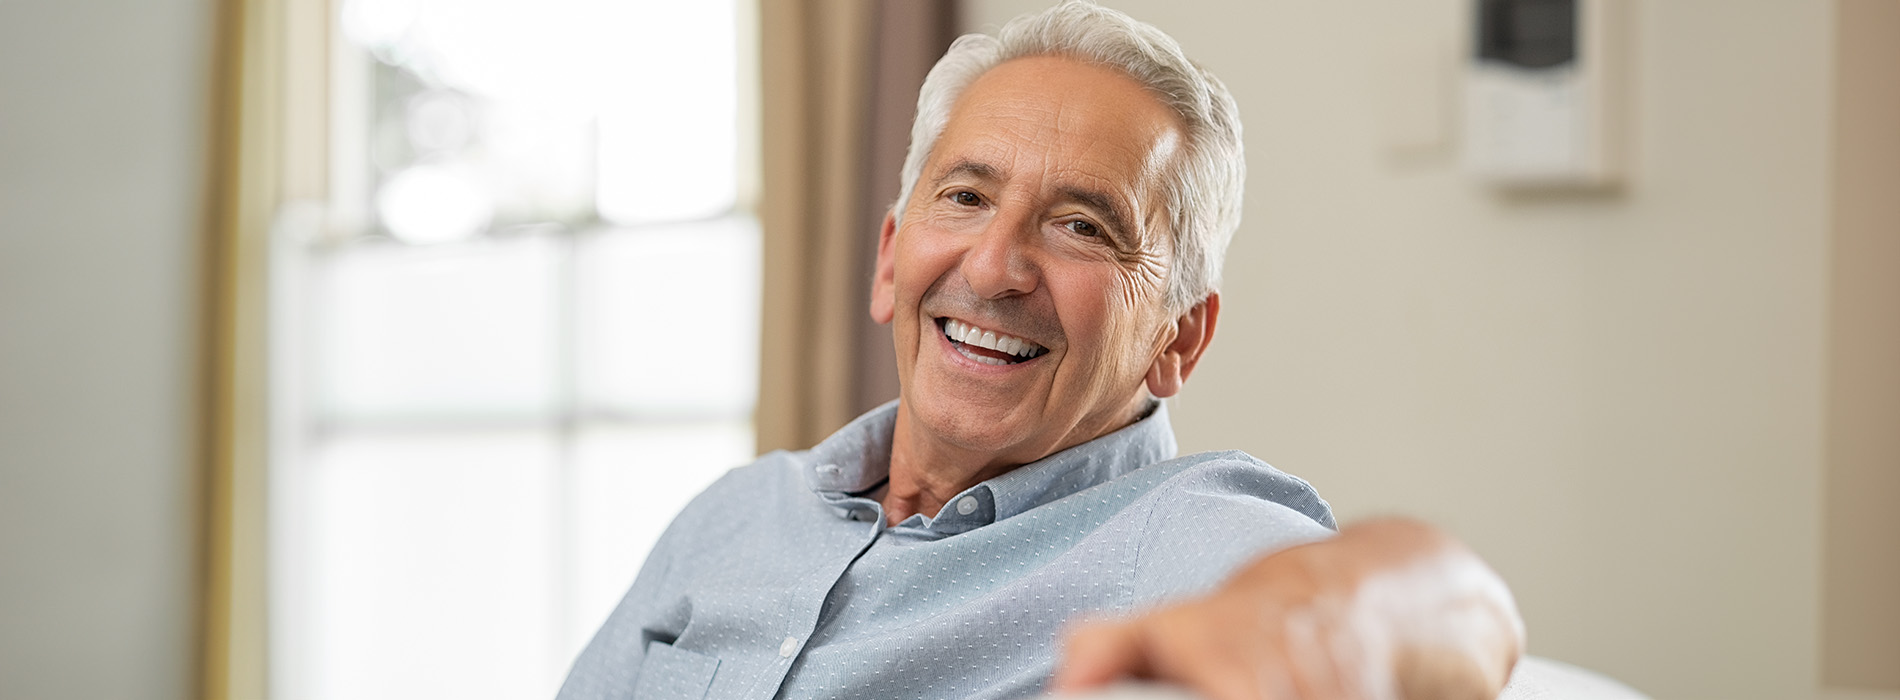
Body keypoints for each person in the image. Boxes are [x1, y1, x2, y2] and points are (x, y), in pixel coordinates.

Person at [557, 3, 1523, 699]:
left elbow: (1462, 611)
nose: (997, 264)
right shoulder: (734, 515)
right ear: (892, 255)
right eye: (967, 197)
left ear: (1177, 338)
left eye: (1082, 228)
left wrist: (1317, 622)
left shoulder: (1180, 540)